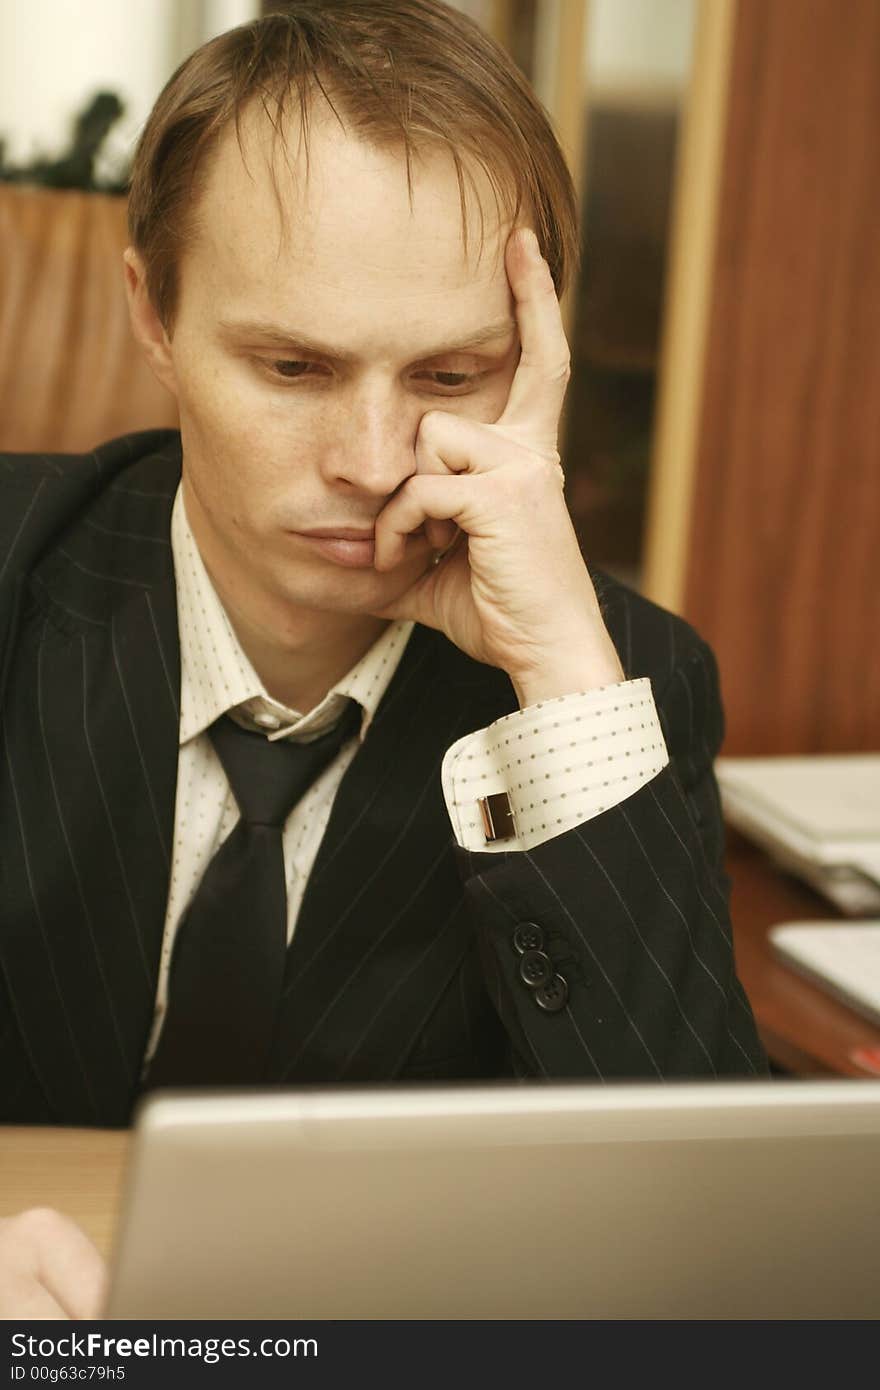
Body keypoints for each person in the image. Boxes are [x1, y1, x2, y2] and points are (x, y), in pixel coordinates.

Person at [0, 0, 766, 1318]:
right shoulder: (20, 572)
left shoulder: (618, 682)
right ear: (154, 312)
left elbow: (718, 1255)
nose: (371, 459)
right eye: (293, 364)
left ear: (536, 357)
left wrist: (565, 677)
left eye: (453, 372)